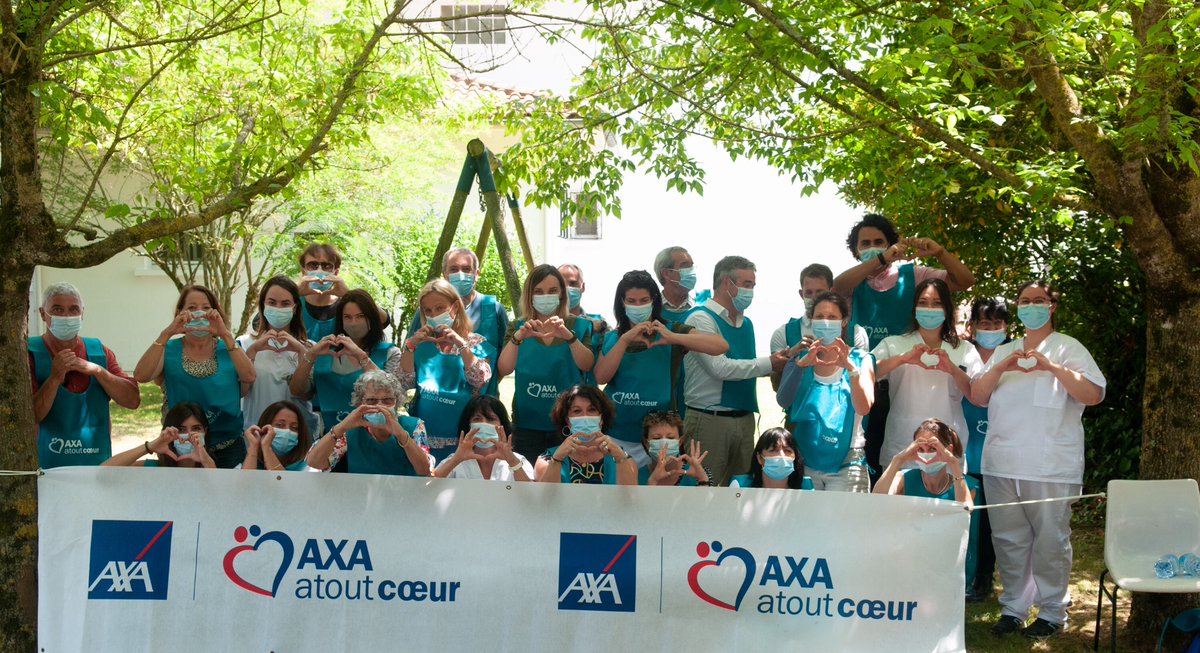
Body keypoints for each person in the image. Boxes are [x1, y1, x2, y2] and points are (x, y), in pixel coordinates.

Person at [971, 281, 1105, 640]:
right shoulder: (1005, 351)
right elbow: (978, 395)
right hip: (1001, 462)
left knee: (1050, 541)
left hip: (1049, 465)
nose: (1031, 306)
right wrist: (1002, 367)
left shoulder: (1068, 348)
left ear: (1051, 306)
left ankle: (1051, 611)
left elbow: (1093, 393)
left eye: (1039, 301)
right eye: (1025, 301)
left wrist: (1052, 368)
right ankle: (1013, 607)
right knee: (1008, 540)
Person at [832, 214, 975, 483]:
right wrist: (882, 259)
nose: (873, 247)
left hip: (900, 383)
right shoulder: (855, 282)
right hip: (864, 384)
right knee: (864, 458)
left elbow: (965, 281)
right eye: (865, 243)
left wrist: (940, 253)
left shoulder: (915, 275)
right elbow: (837, 287)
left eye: (880, 242)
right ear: (856, 250)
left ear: (892, 244)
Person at [594, 270, 728, 466]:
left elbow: (720, 345)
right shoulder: (613, 337)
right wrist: (624, 341)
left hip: (661, 438)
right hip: (619, 434)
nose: (638, 306)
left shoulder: (671, 330)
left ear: (654, 300)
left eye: (643, 300)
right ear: (622, 303)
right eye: (631, 301)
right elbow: (600, 376)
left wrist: (674, 338)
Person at [681, 256, 789, 486]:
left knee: (740, 490)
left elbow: (747, 366)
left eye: (752, 286)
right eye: (746, 284)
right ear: (727, 283)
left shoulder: (746, 323)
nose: (750, 291)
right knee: (704, 491)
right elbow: (720, 368)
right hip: (709, 420)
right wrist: (770, 363)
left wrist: (786, 358)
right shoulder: (700, 319)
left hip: (744, 418)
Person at [134, 284, 255, 468]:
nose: (199, 313)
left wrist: (224, 334)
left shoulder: (229, 347)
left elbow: (249, 376)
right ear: (180, 313)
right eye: (192, 308)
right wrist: (167, 333)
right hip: (182, 448)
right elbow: (141, 375)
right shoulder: (169, 349)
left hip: (228, 448)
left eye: (206, 308)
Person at [29, 282, 140, 468]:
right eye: (57, 309)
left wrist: (98, 371)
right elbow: (31, 416)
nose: (66, 316)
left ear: (82, 313)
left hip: (95, 463)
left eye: (73, 309)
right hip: (46, 467)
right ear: (42, 314)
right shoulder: (30, 353)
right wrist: (54, 378)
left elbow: (132, 400)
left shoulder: (99, 352)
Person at [775, 291, 874, 492]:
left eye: (832, 317)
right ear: (811, 320)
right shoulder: (801, 358)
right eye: (819, 317)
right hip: (805, 458)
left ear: (844, 321)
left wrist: (851, 370)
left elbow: (863, 407)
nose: (825, 322)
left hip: (848, 460)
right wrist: (800, 365)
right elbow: (784, 401)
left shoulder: (861, 359)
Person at [498, 264, 596, 462]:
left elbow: (587, 364)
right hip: (526, 427)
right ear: (529, 295)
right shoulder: (518, 326)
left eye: (552, 291)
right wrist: (518, 337)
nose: (546, 296)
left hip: (568, 426)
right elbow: (504, 368)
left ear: (562, 293)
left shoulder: (580, 326)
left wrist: (568, 337)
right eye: (539, 292)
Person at [871, 278, 972, 471]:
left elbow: (978, 394)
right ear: (914, 309)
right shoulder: (893, 344)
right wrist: (903, 359)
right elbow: (866, 373)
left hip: (947, 447)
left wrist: (952, 368)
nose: (929, 309)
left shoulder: (964, 349)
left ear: (947, 309)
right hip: (902, 446)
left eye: (937, 303)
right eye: (923, 303)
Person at [873, 418, 980, 594]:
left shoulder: (966, 484)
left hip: (948, 564)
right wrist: (899, 459)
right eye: (920, 449)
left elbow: (965, 509)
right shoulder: (903, 478)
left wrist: (953, 463)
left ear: (948, 450)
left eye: (932, 449)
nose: (926, 454)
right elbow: (877, 500)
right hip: (907, 562)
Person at [400, 279, 494, 462]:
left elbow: (481, 378)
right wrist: (410, 347)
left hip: (463, 440)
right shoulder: (419, 344)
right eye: (427, 310)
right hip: (423, 437)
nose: (433, 314)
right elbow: (403, 382)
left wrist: (461, 344)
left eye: (440, 308)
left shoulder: (476, 343)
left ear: (455, 307)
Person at [289, 289, 399, 435]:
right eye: (348, 317)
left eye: (360, 316)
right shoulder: (326, 352)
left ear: (372, 318)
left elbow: (391, 392)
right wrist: (311, 355)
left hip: (375, 436)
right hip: (332, 436)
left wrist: (361, 357)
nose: (354, 323)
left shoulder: (389, 353)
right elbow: (298, 391)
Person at [406, 247, 509, 396]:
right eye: (453, 269)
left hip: (482, 402)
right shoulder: (426, 311)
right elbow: (411, 353)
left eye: (466, 269)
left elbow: (505, 358)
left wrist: (484, 386)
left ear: (477, 274)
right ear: (445, 274)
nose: (460, 274)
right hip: (435, 398)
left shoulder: (494, 309)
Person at [960, 296, 1009, 602]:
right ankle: (964, 575)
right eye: (984, 322)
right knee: (968, 516)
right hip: (966, 446)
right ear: (973, 325)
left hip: (1001, 448)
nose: (990, 328)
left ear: (1006, 326)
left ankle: (984, 578)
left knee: (992, 521)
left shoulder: (1013, 354)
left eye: (997, 323)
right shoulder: (962, 353)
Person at [306, 370, 431, 476]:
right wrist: (341, 427)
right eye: (371, 400)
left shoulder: (414, 426)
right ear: (360, 403)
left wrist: (400, 433)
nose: (380, 406)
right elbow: (315, 462)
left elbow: (424, 470)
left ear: (397, 402)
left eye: (387, 400)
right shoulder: (349, 432)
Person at [236, 276, 318, 433]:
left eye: (285, 304)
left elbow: (306, 394)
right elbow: (240, 391)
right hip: (257, 433)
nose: (278, 308)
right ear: (263, 306)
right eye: (272, 303)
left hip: (298, 436)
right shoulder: (244, 344)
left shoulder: (310, 348)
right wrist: (252, 352)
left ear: (294, 308)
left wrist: (302, 353)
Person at [769, 263, 869, 392]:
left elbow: (865, 380)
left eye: (820, 292)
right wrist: (791, 358)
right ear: (801, 294)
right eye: (809, 292)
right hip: (798, 409)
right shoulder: (783, 333)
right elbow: (777, 387)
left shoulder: (856, 332)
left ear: (831, 291)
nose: (814, 297)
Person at [533, 385, 637, 485]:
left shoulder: (622, 457)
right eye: (577, 411)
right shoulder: (546, 459)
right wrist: (557, 460)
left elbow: (630, 498)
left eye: (592, 410)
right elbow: (546, 499)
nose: (585, 416)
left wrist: (620, 458)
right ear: (567, 421)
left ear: (602, 419)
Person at [432, 395, 533, 481]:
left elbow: (530, 494)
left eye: (491, 419)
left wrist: (512, 461)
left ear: (502, 425)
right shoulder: (456, 459)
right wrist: (456, 460)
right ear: (468, 425)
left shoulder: (517, 460)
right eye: (477, 419)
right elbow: (430, 486)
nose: (484, 424)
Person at [102, 402, 216, 469]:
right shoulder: (155, 467)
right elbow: (102, 471)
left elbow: (218, 490)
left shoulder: (212, 466)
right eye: (181, 429)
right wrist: (149, 447)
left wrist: (205, 460)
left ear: (205, 431)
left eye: (196, 428)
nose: (189, 435)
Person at [559, 263, 608, 385]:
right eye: (562, 284)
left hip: (588, 398)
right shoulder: (545, 323)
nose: (567, 288)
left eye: (573, 283)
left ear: (583, 287)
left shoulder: (600, 324)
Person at [638, 411, 713, 487]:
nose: (665, 443)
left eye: (670, 437)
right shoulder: (635, 475)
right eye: (657, 438)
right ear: (646, 443)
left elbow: (705, 499)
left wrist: (702, 479)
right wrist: (652, 481)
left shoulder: (699, 471)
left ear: (680, 441)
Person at [241, 400, 313, 471]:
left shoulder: (307, 464)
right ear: (264, 428)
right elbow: (245, 481)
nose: (287, 431)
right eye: (280, 425)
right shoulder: (251, 458)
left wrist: (267, 448)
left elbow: (282, 482)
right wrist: (254, 447)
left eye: (294, 428)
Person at [729, 428, 811, 490]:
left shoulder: (806, 488)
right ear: (759, 458)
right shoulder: (739, 486)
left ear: (795, 457)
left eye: (787, 451)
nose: (781, 455)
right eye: (773, 450)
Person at [653, 246, 699, 324]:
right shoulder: (650, 309)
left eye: (691, 266)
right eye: (685, 266)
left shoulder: (702, 306)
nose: (692, 271)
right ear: (666, 273)